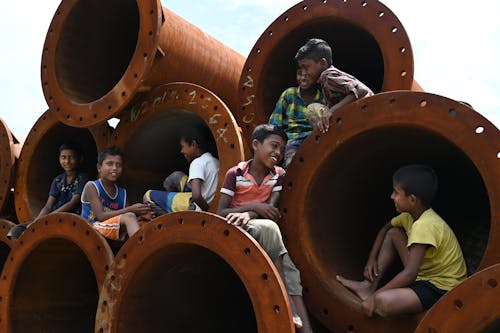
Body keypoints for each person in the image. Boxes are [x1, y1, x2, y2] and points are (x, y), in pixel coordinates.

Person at [336, 164, 467, 317]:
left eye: (396, 192)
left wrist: (374, 298)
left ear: (412, 199)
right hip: (423, 274)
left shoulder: (425, 225)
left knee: (383, 301)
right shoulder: (408, 215)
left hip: (440, 289)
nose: (392, 196)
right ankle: (368, 287)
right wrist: (371, 259)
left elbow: (410, 274)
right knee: (394, 233)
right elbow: (385, 229)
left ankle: (373, 294)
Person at [217, 124, 312, 332]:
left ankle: (306, 328)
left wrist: (250, 212)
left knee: (291, 271)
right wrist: (253, 207)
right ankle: (284, 301)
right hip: (239, 229)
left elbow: (271, 207)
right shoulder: (236, 173)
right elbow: (220, 212)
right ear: (256, 144)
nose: (278, 153)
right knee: (269, 227)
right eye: (274, 146)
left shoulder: (278, 175)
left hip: (265, 231)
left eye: (281, 149)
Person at [7, 142, 89, 239]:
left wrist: (50, 217)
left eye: (71, 157)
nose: (67, 161)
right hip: (53, 216)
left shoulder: (83, 178)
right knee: (16, 230)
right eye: (63, 157)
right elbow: (48, 206)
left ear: (80, 159)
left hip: (72, 217)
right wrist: (37, 221)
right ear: (59, 158)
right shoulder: (57, 180)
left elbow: (73, 202)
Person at [295, 38, 374, 133]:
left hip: (368, 112)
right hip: (361, 114)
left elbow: (361, 90)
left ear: (322, 63)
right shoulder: (326, 79)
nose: (304, 73)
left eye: (306, 67)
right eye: (301, 69)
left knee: (313, 110)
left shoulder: (327, 76)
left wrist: (331, 111)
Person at [143, 125, 219, 214]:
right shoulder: (215, 161)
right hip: (206, 196)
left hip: (196, 207)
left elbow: (196, 196)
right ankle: (174, 199)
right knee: (176, 176)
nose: (181, 151)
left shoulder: (197, 163)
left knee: (148, 196)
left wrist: (209, 212)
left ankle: (171, 215)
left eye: (183, 146)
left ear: (193, 144)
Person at [81, 146, 152, 241]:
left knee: (144, 222)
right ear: (99, 167)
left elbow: (125, 215)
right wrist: (131, 210)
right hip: (91, 228)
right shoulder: (92, 186)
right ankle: (141, 251)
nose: (115, 168)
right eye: (110, 164)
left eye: (119, 165)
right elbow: (101, 216)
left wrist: (141, 215)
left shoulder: (123, 193)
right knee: (130, 216)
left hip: (111, 228)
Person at [269, 68, 326, 168]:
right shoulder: (289, 94)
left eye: (307, 75)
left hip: (314, 138)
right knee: (292, 163)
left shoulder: (322, 99)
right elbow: (275, 123)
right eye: (300, 74)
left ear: (317, 78)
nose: (303, 78)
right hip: (292, 140)